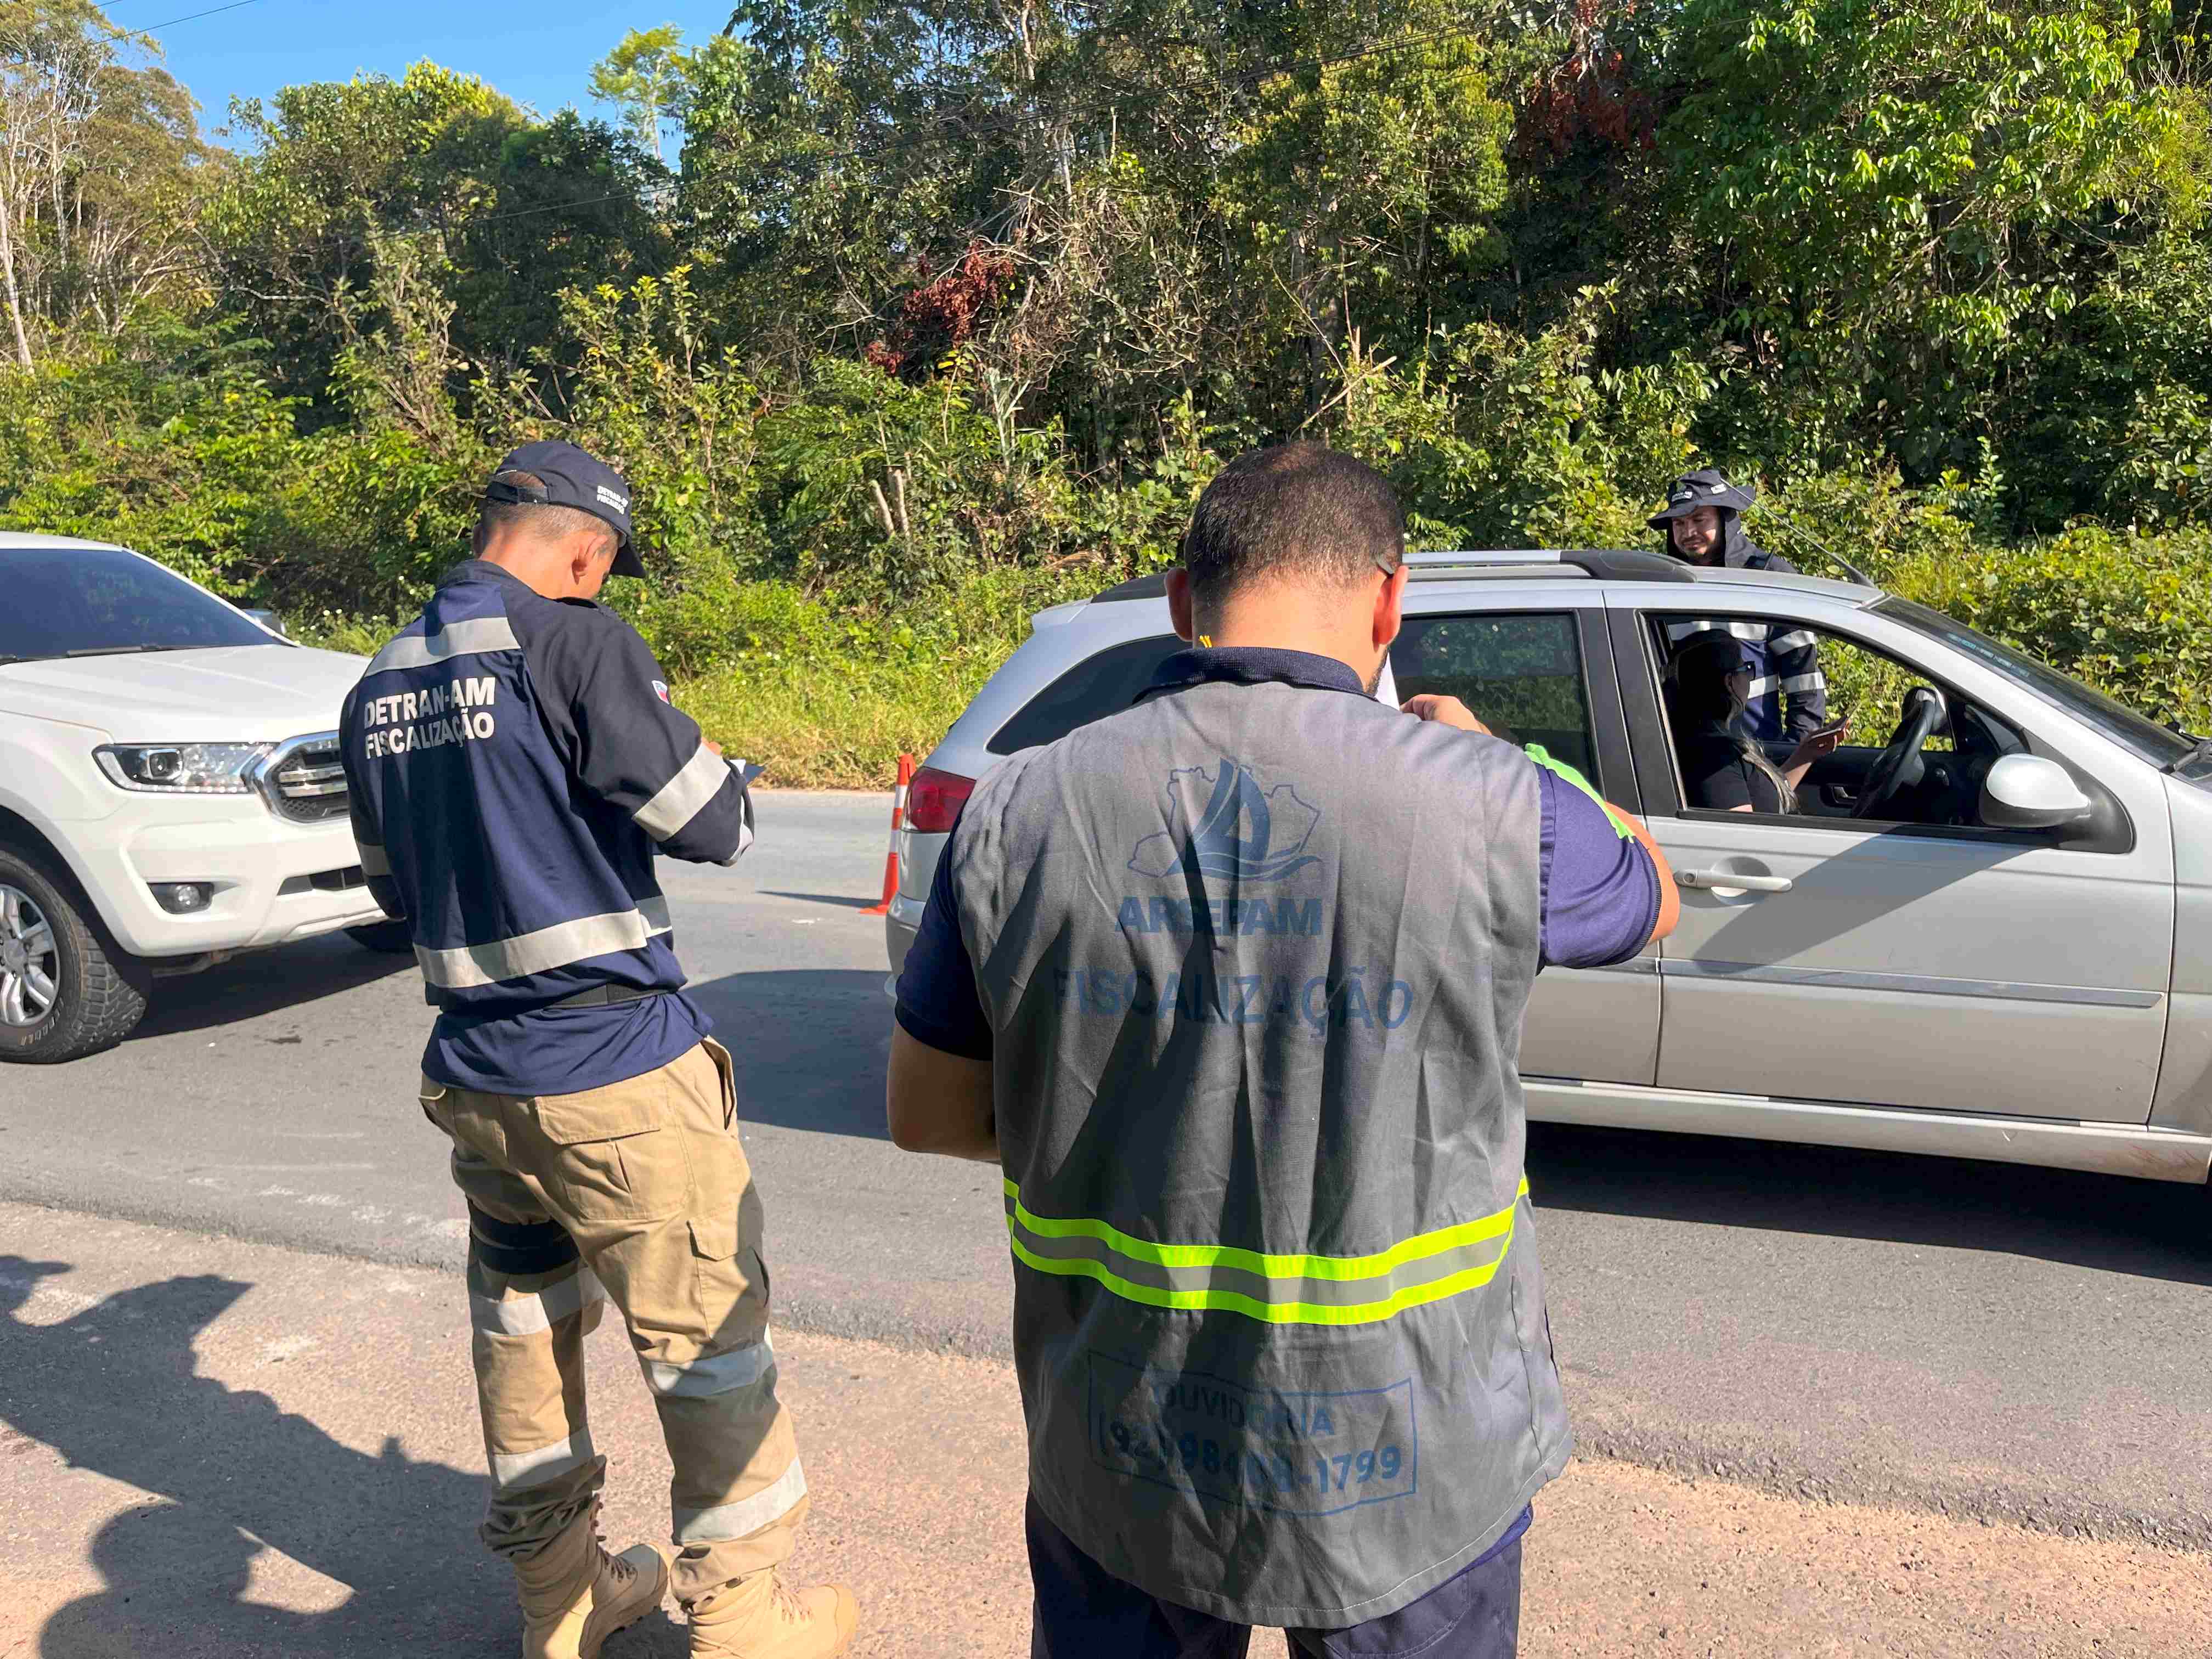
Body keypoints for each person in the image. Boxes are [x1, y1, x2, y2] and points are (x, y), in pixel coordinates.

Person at [884, 441, 1679, 1657]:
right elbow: (1653, 896)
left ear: (1179, 604)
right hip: (1409, 1455)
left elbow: (928, 1112)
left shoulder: (1021, 806)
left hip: (1125, 1438)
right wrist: (1516, 754)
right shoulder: (1493, 800)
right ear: (1388, 600)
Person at [340, 441, 857, 1659]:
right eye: (602, 568)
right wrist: (718, 764)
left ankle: (561, 1605)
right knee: (708, 1348)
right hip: (617, 1078)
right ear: (584, 549)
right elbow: (711, 823)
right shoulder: (578, 644)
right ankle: (743, 1624)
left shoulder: (376, 684)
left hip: (480, 1088)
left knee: (526, 1340)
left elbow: (391, 897)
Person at [1649, 468, 1829, 747]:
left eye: (1699, 520)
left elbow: (1803, 678)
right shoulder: (1658, 587)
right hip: (1681, 762)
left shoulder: (1769, 578)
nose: (1689, 532)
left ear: (1725, 520)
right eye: (1679, 524)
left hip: (1757, 755)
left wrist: (1794, 752)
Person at [1664, 630, 1836, 812]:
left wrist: (1807, 754)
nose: (1749, 676)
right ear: (1729, 682)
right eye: (1746, 669)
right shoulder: (1715, 760)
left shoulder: (1709, 744)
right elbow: (1742, 834)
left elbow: (1765, 800)